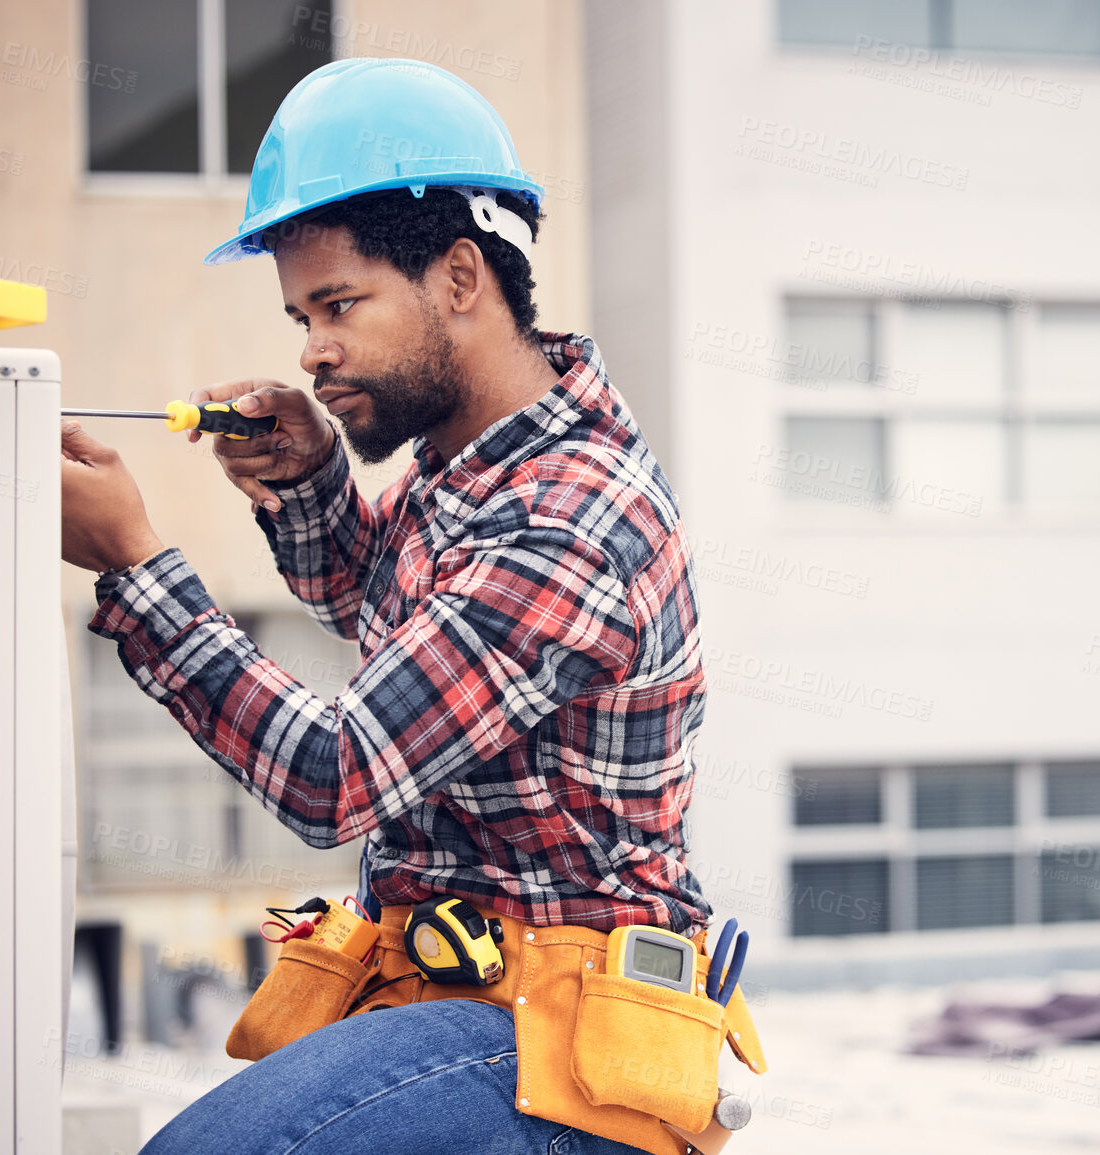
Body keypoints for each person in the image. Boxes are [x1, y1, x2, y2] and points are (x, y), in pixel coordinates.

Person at [59, 59, 713, 1154]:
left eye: (338, 305)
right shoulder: (468, 469)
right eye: (299, 315)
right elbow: (401, 632)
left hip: (560, 1043)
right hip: (461, 989)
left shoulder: (574, 519)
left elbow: (342, 774)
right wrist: (313, 479)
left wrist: (135, 567)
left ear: (460, 278)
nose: (310, 351)